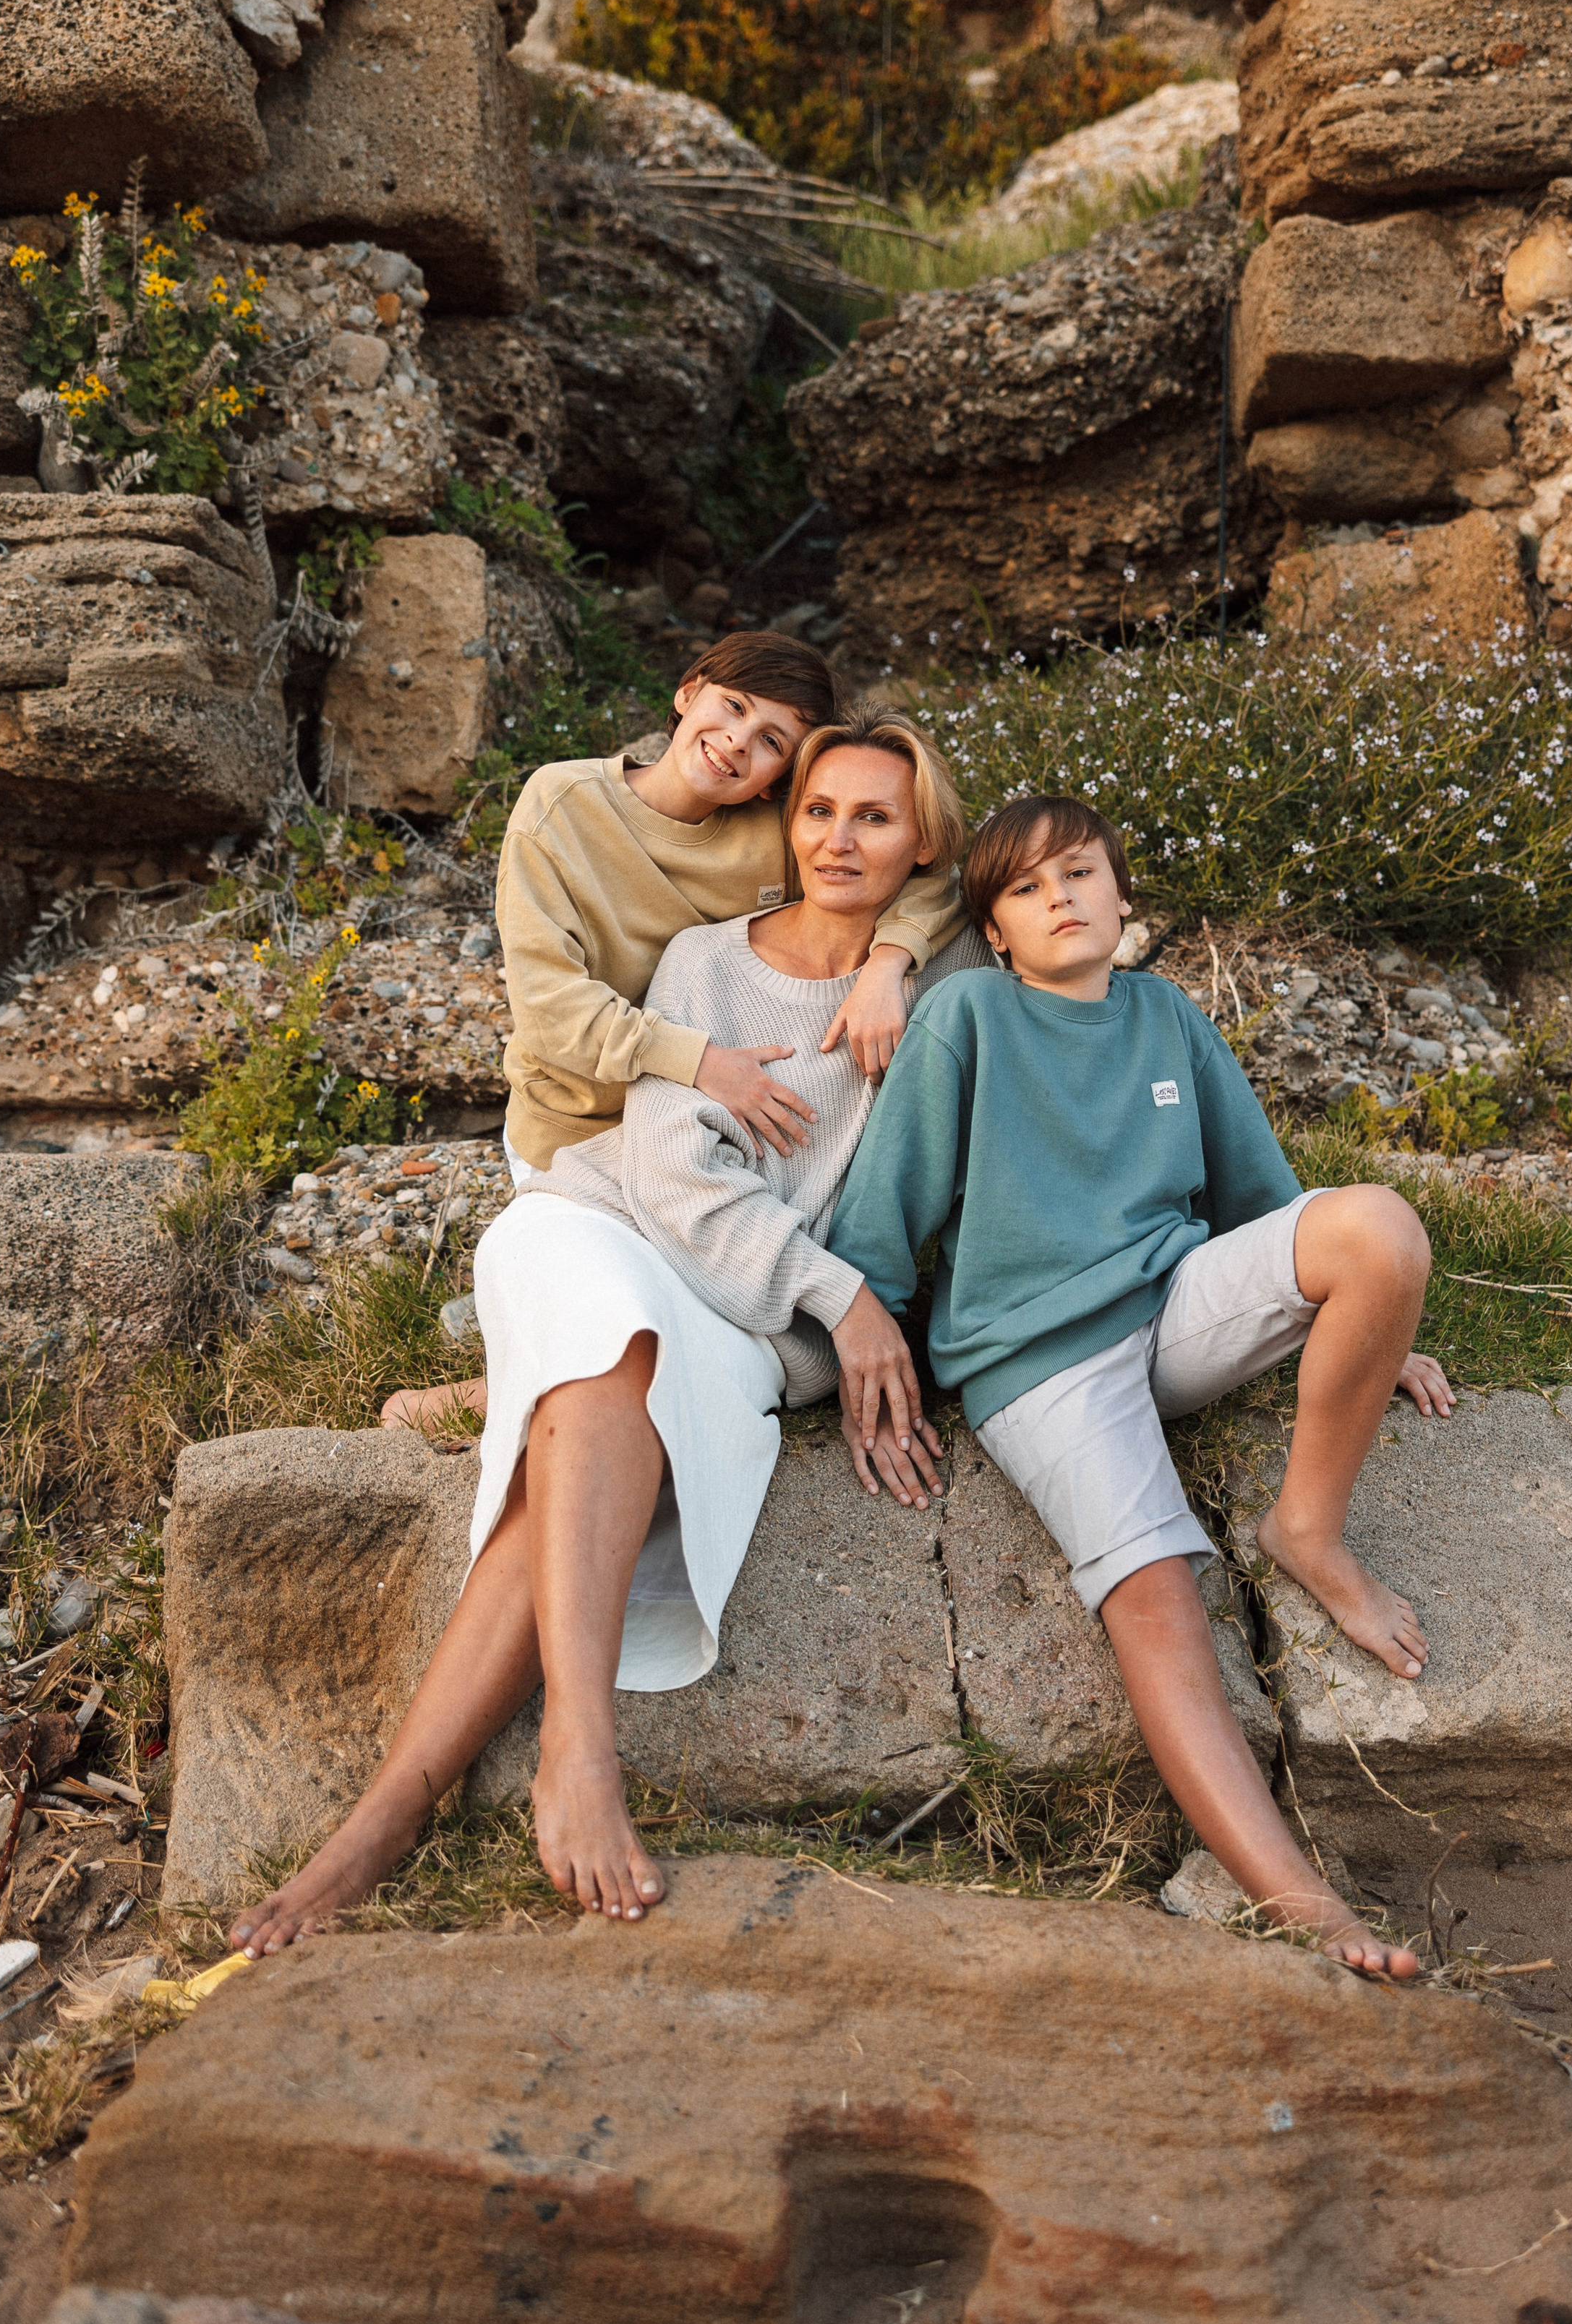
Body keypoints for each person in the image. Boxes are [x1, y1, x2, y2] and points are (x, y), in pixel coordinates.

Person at [229, 705, 990, 1956]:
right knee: (616, 1339)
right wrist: (843, 1296)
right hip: (612, 1224)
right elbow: (679, 1177)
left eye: (874, 817)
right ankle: (579, 1747)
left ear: (921, 846)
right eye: (816, 809)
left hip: (749, 1317)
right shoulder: (703, 959)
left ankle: (378, 1821)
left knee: (587, 1417)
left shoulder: (949, 993)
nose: (838, 839)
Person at [825, 792, 1457, 1982]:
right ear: (997, 931)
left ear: (1125, 899)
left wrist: (1375, 1322)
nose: (1061, 895)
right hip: (1038, 1354)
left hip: (1175, 1310)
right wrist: (865, 1339)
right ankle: (1298, 1897)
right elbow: (880, 1219)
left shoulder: (1166, 1012)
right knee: (1157, 1596)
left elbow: (1271, 1206)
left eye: (1082, 873)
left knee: (1380, 1225)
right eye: (1025, 886)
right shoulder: (967, 1014)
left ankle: (1306, 1528)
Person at [383, 627, 966, 1439]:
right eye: (730, 707)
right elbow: (552, 1010)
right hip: (582, 1124)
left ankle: (517, 1383)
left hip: (718, 1126)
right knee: (621, 1319)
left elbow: (927, 873)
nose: (735, 744)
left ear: (780, 780)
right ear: (688, 691)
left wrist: (887, 962)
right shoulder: (561, 805)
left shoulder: (776, 831)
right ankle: (488, 1394)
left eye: (771, 743)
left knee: (691, 1300)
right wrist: (700, 1063)